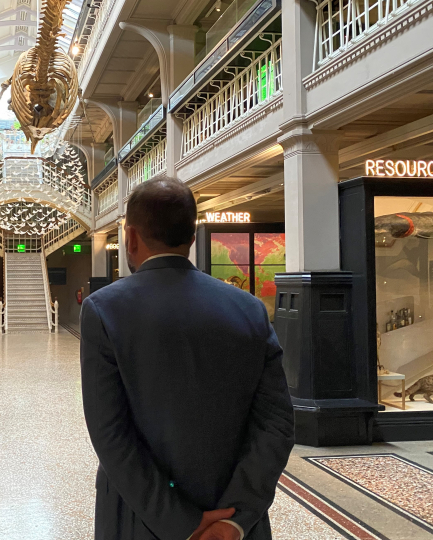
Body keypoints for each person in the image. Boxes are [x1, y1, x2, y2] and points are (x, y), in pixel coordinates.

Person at [80, 177, 295, 540]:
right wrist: (235, 518)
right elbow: (276, 423)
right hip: (232, 519)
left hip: (140, 521)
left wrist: (183, 524)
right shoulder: (250, 309)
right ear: (192, 238)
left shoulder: (104, 310)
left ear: (130, 238)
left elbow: (110, 433)